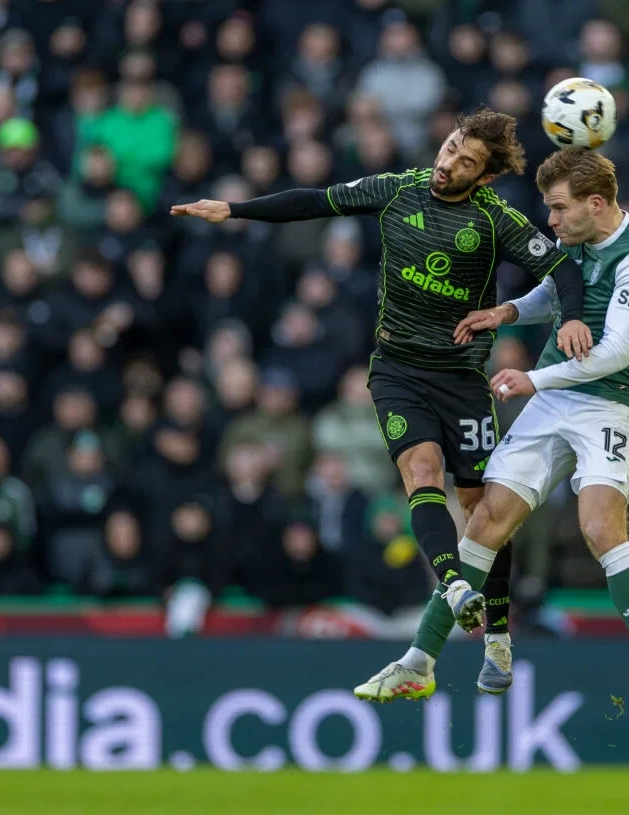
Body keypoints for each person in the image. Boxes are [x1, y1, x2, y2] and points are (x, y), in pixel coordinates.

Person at [171, 109, 591, 643]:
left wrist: (572, 317)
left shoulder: (494, 220)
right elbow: (313, 201)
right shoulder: (396, 189)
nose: (447, 164)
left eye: (465, 162)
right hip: (397, 370)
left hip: (460, 377)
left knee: (480, 509)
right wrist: (233, 209)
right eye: (449, 148)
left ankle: (499, 630)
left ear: (484, 177)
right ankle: (454, 586)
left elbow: (563, 269)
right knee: (420, 472)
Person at [354, 149, 629, 734]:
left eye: (558, 210)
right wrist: (505, 312)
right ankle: (419, 661)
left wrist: (531, 378)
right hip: (556, 396)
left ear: (597, 204)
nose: (550, 223)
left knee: (599, 527)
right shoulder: (575, 238)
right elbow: (554, 297)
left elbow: (613, 354)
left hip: (611, 403)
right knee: (485, 519)